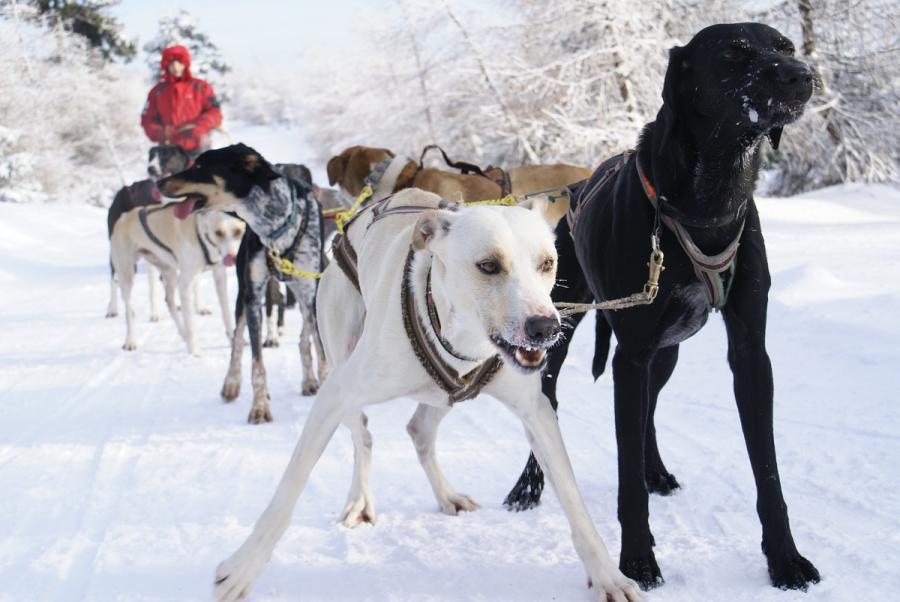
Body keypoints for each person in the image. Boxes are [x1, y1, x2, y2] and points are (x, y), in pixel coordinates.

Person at [140, 45, 222, 160]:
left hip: (199, 148)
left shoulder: (201, 87)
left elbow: (215, 112)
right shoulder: (157, 92)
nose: (176, 67)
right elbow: (147, 120)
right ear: (166, 66)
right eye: (171, 64)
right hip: (170, 152)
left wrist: (201, 127)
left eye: (179, 63)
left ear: (185, 64)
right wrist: (163, 132)